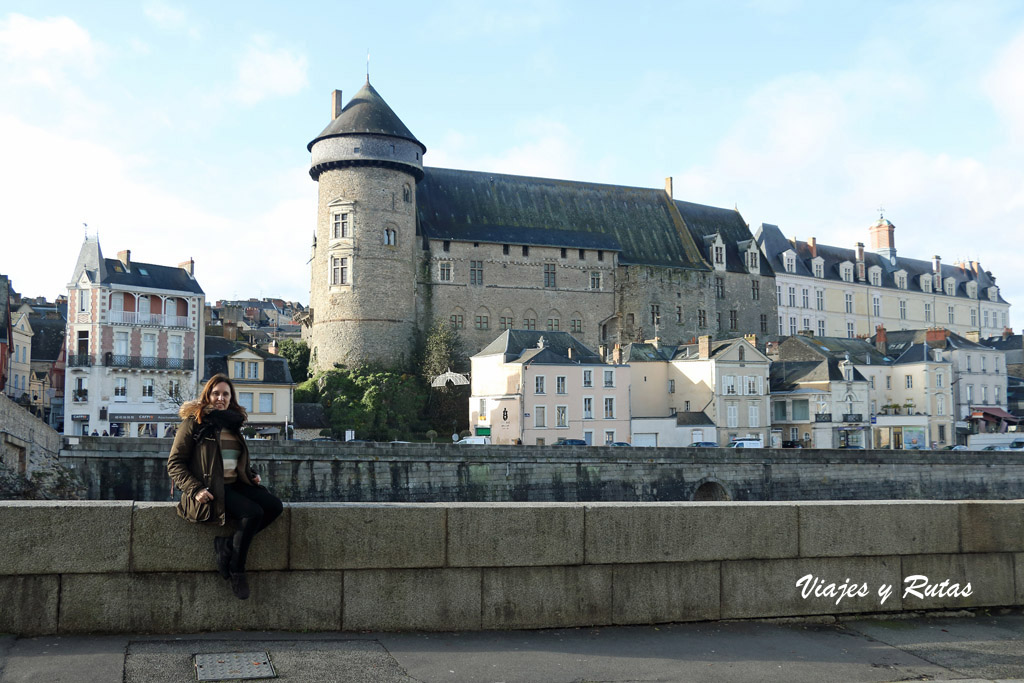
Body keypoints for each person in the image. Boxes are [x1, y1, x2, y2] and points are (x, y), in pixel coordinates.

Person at [167, 373, 283, 599]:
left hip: (234, 484)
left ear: (231, 398)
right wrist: (195, 489)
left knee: (274, 506)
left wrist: (251, 474)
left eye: (225, 394)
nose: (220, 398)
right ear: (207, 395)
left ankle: (227, 545)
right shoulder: (194, 422)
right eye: (216, 393)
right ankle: (237, 569)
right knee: (253, 513)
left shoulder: (233, 423)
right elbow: (174, 463)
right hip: (210, 489)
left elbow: (231, 460)